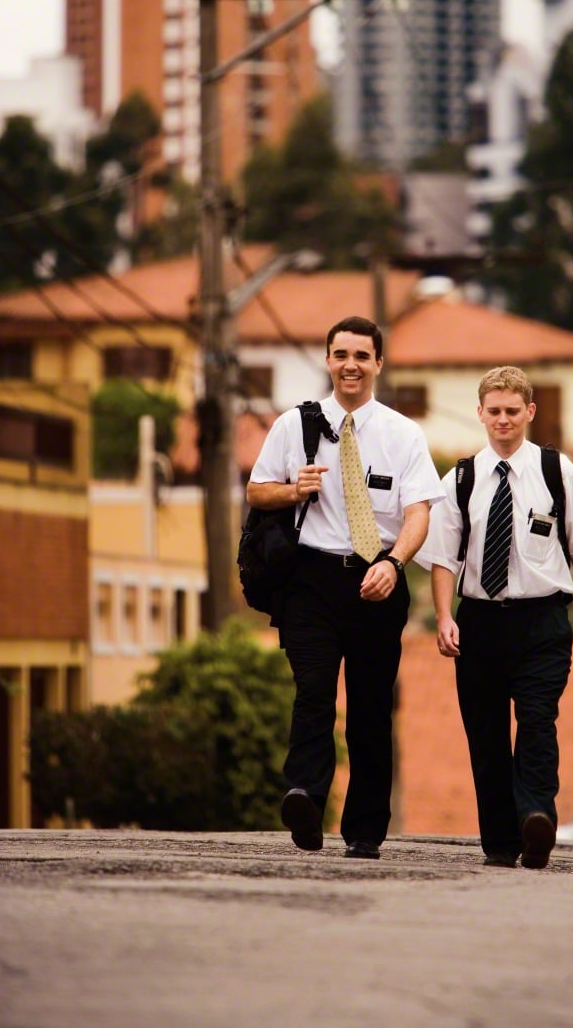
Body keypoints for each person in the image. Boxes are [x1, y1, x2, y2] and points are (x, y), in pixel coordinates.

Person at [247, 315, 444, 860]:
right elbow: (256, 490)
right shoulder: (294, 425)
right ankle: (305, 799)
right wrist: (293, 491)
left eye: (362, 355)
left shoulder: (403, 434)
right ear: (328, 361)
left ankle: (364, 829)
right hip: (311, 580)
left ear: (378, 363)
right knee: (312, 693)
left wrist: (396, 562)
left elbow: (418, 511)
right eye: (341, 354)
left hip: (377, 580)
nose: (351, 365)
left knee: (369, 709)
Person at [424, 366, 573, 870]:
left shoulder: (556, 471)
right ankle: (500, 844)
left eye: (513, 411)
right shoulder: (461, 479)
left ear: (529, 412)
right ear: (481, 414)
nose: (503, 420)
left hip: (542, 623)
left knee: (537, 722)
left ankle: (536, 819)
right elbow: (443, 557)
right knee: (485, 735)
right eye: (494, 411)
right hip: (480, 624)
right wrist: (444, 616)